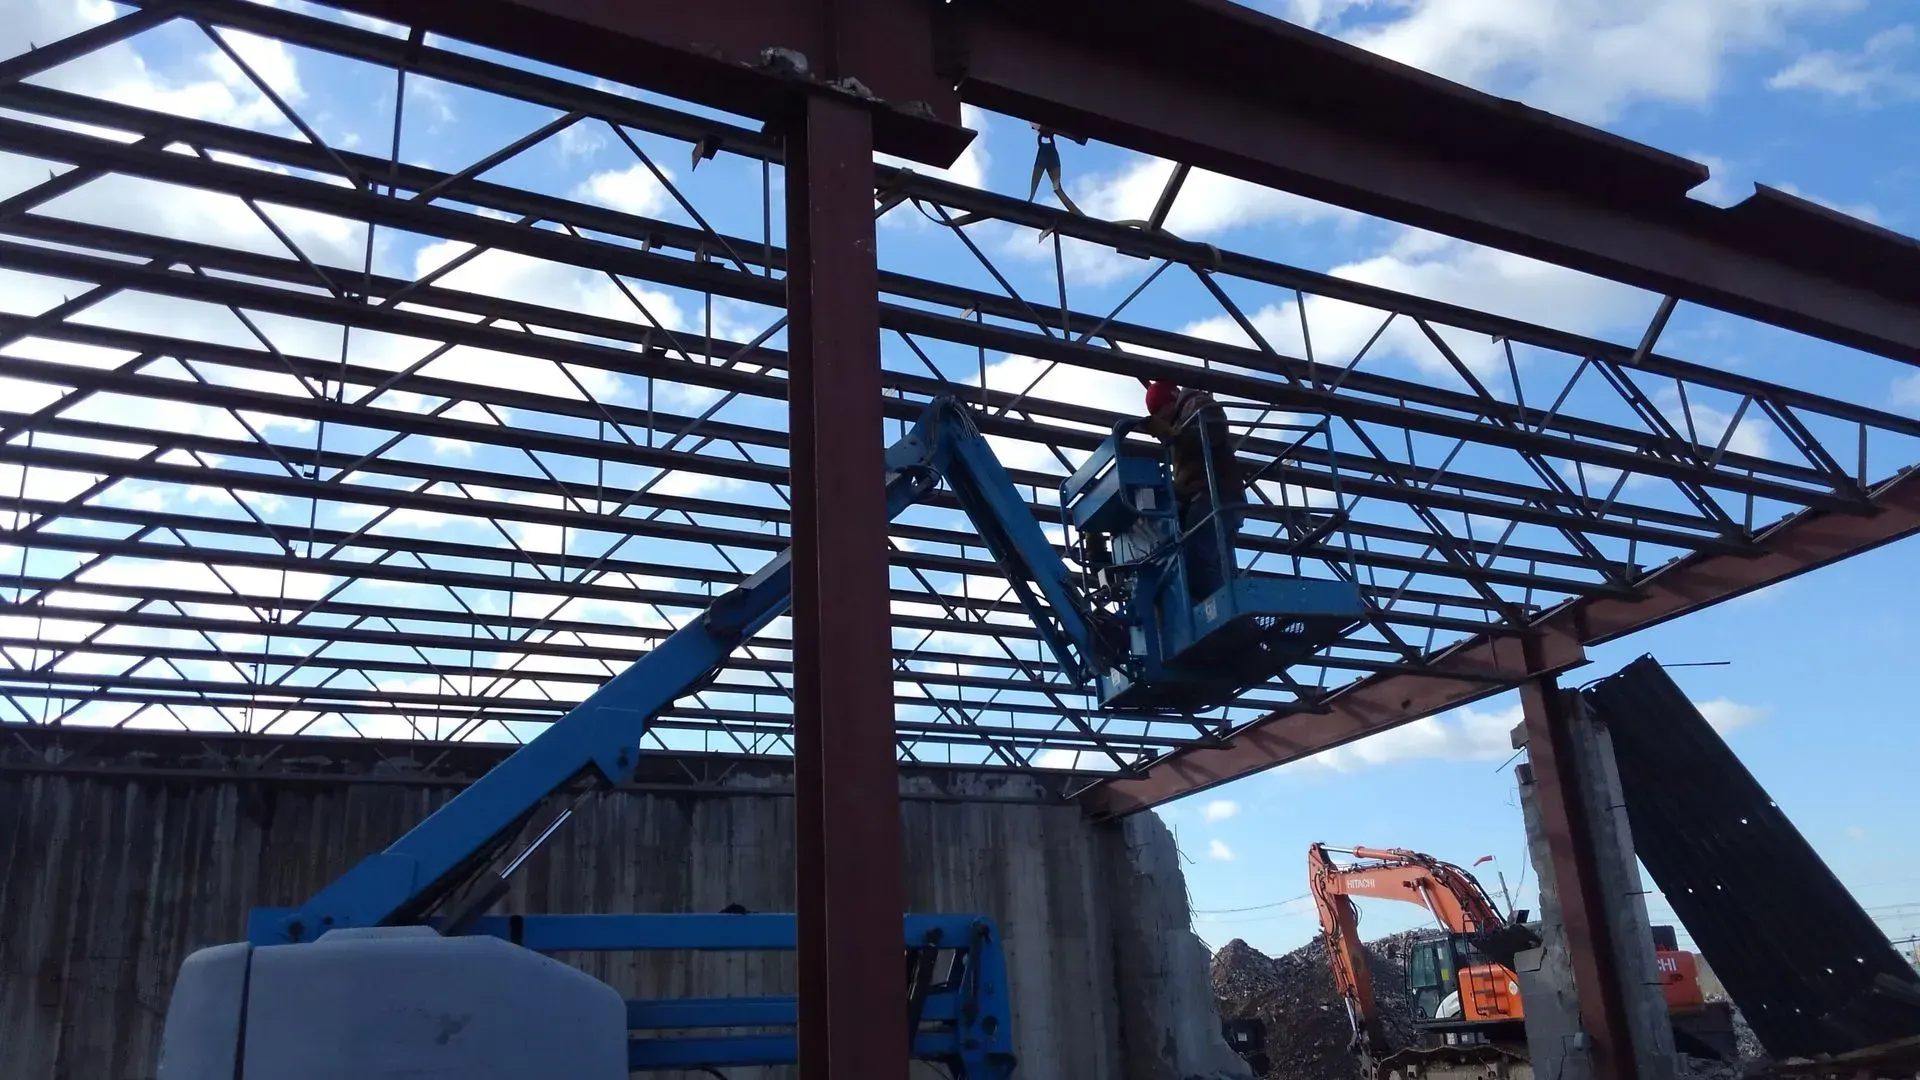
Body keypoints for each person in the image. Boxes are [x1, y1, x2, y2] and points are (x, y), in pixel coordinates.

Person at [1143, 379, 1245, 601]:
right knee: (1211, 561)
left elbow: (1210, 435)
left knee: (1196, 559)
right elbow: (1190, 468)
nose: (1163, 421)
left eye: (1161, 414)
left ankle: (1217, 612)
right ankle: (1225, 607)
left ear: (1169, 402)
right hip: (1211, 497)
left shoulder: (1196, 404)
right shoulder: (1181, 418)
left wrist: (1172, 434)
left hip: (1215, 495)